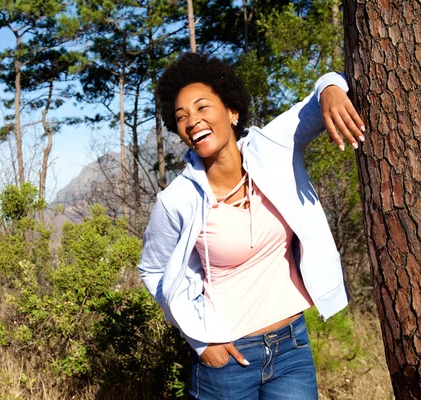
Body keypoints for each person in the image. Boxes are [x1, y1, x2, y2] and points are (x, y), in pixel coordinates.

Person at [137, 53, 365, 400]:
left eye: (202, 108)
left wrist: (331, 87)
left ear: (232, 111)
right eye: (181, 117)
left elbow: (325, 92)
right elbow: (152, 271)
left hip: (291, 347)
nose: (192, 121)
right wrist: (200, 339)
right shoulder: (176, 200)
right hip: (227, 361)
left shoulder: (271, 148)